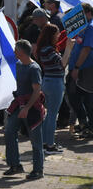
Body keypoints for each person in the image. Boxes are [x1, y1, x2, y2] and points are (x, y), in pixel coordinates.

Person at [4, 39, 45, 179]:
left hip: (32, 108)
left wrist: (27, 108)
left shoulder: (34, 68)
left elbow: (37, 91)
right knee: (9, 132)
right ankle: (15, 165)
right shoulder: (18, 64)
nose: (14, 52)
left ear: (21, 52)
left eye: (16, 50)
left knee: (36, 140)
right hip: (18, 104)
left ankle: (38, 170)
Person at [35, 24, 66, 154]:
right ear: (51, 35)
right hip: (54, 83)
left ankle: (45, 142)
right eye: (57, 33)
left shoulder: (44, 49)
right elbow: (62, 64)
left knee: (49, 115)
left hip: (48, 81)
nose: (58, 36)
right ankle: (49, 145)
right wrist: (69, 47)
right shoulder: (48, 50)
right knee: (52, 115)